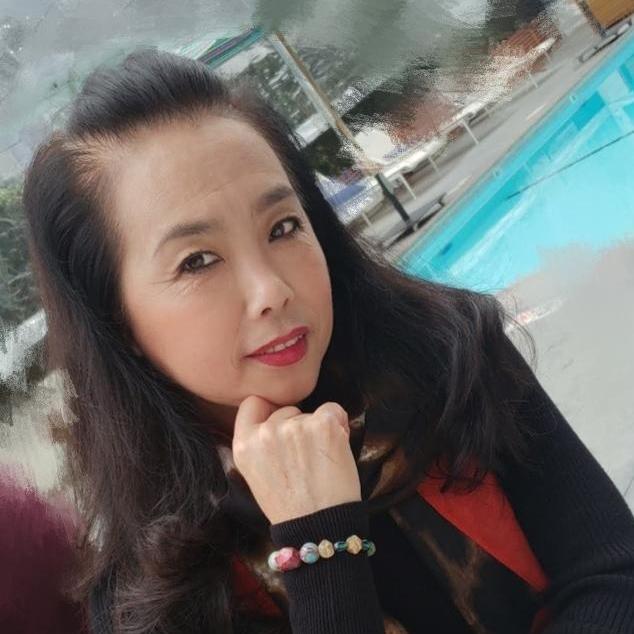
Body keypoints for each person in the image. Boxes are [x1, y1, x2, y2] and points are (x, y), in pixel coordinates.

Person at [20, 47, 634, 634]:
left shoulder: (448, 355)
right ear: (116, 320)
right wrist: (318, 538)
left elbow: (615, 575)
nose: (271, 289)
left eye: (283, 226)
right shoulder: (152, 592)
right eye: (197, 260)